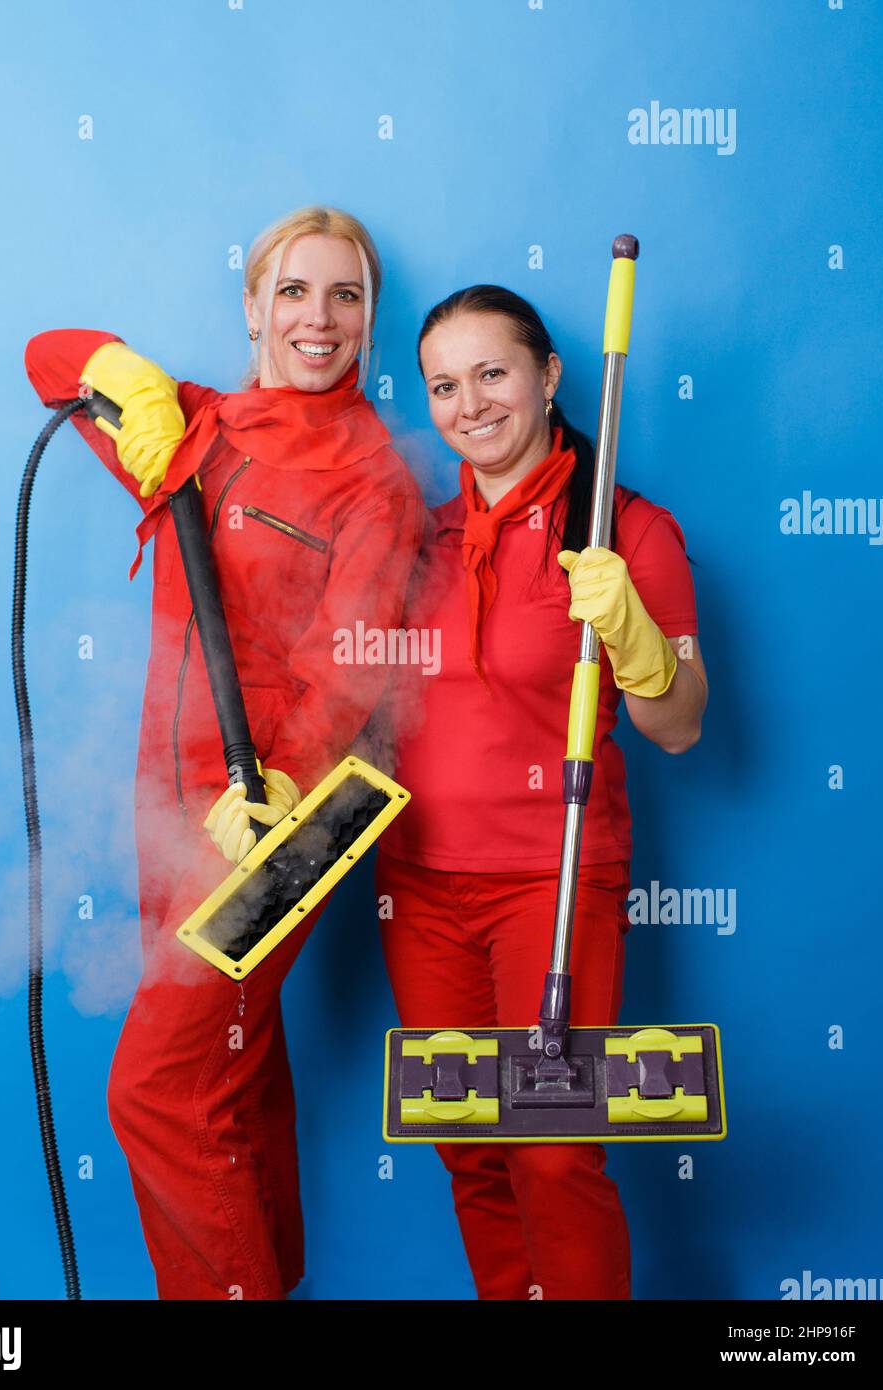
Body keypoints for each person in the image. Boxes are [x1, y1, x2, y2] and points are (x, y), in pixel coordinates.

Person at [24, 207, 424, 1300]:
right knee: (230, 1083)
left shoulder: (374, 478)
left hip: (285, 821)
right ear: (252, 306)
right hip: (171, 813)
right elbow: (43, 360)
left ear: (370, 322)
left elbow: (351, 667)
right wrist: (124, 378)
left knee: (160, 1088)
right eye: (294, 290)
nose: (319, 317)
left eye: (347, 296)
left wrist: (277, 789)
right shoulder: (196, 429)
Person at [375, 284, 708, 1301]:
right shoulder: (419, 541)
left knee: (552, 1149)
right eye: (443, 384)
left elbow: (680, 723)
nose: (469, 403)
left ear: (550, 375)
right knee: (469, 1148)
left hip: (550, 884)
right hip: (419, 887)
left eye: (492, 373)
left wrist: (638, 643)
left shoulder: (627, 531)